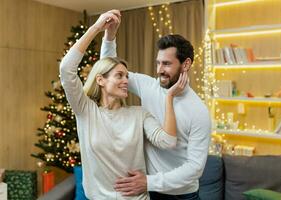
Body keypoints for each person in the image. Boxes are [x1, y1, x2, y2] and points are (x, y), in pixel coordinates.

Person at [60, 10, 188, 200]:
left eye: (127, 76)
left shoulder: (139, 114)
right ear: (101, 80)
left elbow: (168, 141)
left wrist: (169, 97)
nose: (126, 80)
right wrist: (98, 28)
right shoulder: (86, 110)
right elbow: (66, 69)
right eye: (119, 75)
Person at [101, 10, 211, 200]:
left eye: (167, 64)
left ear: (186, 64)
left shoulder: (198, 111)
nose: (159, 70)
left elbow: (195, 168)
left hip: (182, 196)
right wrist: (109, 36)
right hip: (148, 191)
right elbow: (110, 68)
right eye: (158, 63)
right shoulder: (148, 85)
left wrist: (149, 182)